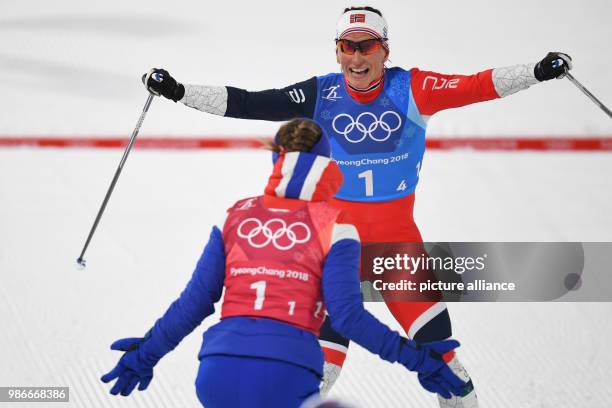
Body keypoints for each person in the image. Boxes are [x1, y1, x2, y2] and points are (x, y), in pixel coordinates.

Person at [142, 6, 573, 407]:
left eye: (367, 45)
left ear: (385, 50)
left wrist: (536, 72)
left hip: (398, 249)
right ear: (337, 52)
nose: (357, 56)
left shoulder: (414, 88)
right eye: (348, 46)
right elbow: (251, 102)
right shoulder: (319, 94)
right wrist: (179, 92)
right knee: (318, 373)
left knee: (446, 365)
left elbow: (478, 85)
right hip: (334, 252)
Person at [100, 119, 468, 408]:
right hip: (287, 379)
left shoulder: (235, 217)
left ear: (276, 160)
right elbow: (347, 318)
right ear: (327, 164)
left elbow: (192, 305)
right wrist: (419, 359)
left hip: (216, 377)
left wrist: (145, 354)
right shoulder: (336, 226)